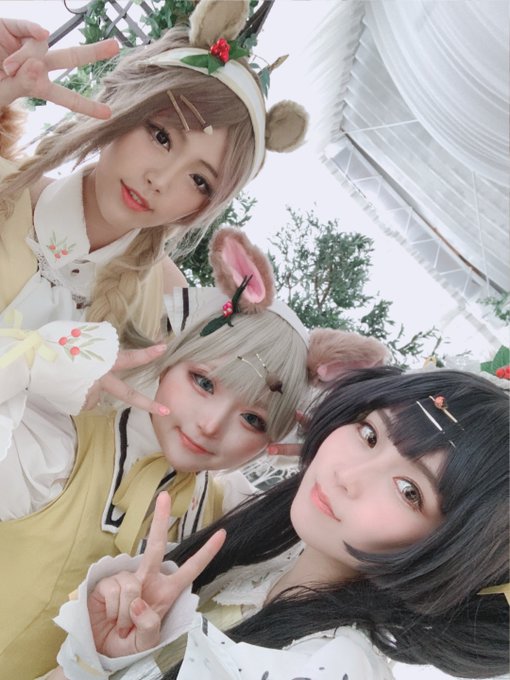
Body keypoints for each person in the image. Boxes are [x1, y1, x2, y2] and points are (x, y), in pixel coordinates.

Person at [0, 226, 389, 679]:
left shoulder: (224, 517)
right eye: (203, 382)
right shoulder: (56, 438)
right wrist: (35, 366)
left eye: (253, 419)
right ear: (171, 356)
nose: (211, 424)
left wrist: (323, 451)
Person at [49, 366, 508, 680]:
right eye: (369, 434)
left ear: (458, 547)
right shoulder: (259, 561)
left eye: (409, 491)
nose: (347, 475)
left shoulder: (330, 665)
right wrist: (110, 654)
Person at [0, 0, 308, 340]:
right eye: (162, 137)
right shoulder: (6, 185)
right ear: (124, 101)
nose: (159, 181)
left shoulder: (168, 310)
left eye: (199, 180)